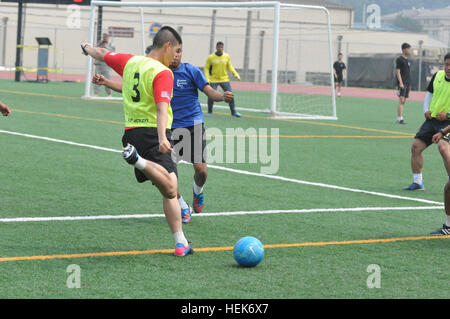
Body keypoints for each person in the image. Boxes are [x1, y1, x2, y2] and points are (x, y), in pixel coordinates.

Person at [81, 26, 193, 257]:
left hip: (131, 134)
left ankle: (181, 243)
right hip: (153, 134)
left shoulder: (130, 62)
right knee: (171, 188)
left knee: (167, 189)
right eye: (177, 50)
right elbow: (162, 108)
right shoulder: (163, 73)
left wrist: (87, 48)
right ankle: (138, 161)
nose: (177, 57)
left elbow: (102, 53)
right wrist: (163, 137)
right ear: (167, 46)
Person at [92, 45, 234, 224]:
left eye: (179, 52)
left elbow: (209, 91)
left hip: (193, 125)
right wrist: (106, 82)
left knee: (201, 170)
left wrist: (221, 97)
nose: (176, 56)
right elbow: (127, 87)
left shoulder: (190, 71)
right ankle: (182, 205)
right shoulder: (158, 71)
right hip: (167, 129)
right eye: (174, 52)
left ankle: (198, 192)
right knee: (164, 174)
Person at [403, 53, 450, 192]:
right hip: (432, 121)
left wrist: (447, 114)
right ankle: (418, 183)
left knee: (443, 147)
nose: (449, 67)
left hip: (448, 124)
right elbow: (429, 93)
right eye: (447, 64)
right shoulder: (438, 76)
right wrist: (426, 110)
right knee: (416, 147)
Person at [204, 41, 242, 117]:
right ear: (216, 48)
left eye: (221, 47)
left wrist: (235, 73)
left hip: (224, 79)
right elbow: (206, 68)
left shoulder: (226, 56)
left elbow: (230, 66)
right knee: (211, 95)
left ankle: (233, 112)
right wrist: (207, 78)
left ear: (223, 48)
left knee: (230, 95)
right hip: (214, 80)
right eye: (219, 47)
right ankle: (210, 112)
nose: (220, 49)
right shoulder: (211, 57)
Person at [395, 43, 412, 124]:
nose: (410, 51)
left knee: (404, 101)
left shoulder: (407, 60)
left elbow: (407, 73)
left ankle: (399, 117)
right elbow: (398, 72)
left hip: (407, 83)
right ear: (404, 49)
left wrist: (409, 84)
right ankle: (400, 118)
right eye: (409, 49)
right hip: (403, 83)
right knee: (401, 100)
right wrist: (401, 83)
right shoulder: (399, 59)